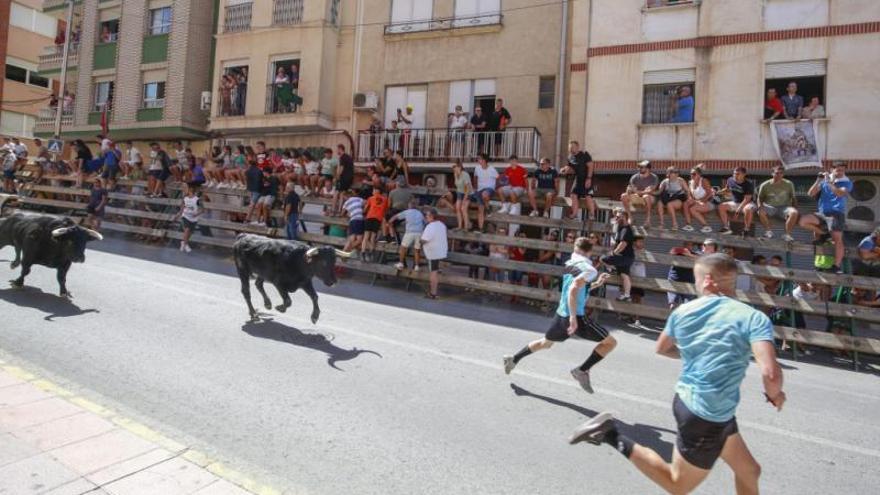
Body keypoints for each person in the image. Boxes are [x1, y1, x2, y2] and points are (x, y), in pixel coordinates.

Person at [569, 253, 785, 495]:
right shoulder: (753, 317)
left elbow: (662, 348)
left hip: (703, 405)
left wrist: (699, 353)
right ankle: (609, 434)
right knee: (677, 484)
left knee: (749, 471)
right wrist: (776, 395)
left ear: (708, 280)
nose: (696, 284)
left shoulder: (684, 311)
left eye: (696, 278)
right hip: (705, 412)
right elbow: (771, 374)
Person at [503, 236, 615, 392]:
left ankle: (513, 359)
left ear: (575, 248)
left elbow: (580, 287)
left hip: (561, 314)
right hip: (576, 316)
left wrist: (597, 283)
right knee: (610, 343)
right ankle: (581, 370)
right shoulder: (590, 270)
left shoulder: (570, 263)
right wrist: (574, 318)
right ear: (590, 251)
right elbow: (573, 289)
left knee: (546, 343)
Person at [799, 162, 852, 273]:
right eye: (837, 170)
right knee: (803, 221)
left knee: (837, 240)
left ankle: (836, 266)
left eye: (842, 170)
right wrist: (819, 180)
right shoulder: (825, 181)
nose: (840, 172)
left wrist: (829, 183)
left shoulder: (846, 182)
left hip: (836, 214)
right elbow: (810, 193)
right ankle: (823, 233)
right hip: (822, 213)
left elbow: (839, 193)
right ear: (832, 170)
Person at [601, 209, 636, 302]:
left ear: (624, 217)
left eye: (618, 216)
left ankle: (612, 269)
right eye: (615, 216)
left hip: (624, 257)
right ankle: (627, 295)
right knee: (624, 275)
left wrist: (614, 253)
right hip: (627, 257)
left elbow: (623, 244)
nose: (616, 218)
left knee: (603, 259)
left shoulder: (626, 229)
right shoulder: (620, 227)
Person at [756, 165, 799, 241]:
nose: (779, 175)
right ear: (772, 174)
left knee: (794, 212)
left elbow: (793, 198)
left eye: (781, 173)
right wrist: (760, 206)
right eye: (776, 173)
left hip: (784, 207)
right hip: (769, 206)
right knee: (760, 211)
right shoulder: (765, 185)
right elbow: (760, 197)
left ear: (783, 174)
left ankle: (787, 235)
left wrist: (795, 209)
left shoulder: (789, 184)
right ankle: (768, 232)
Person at [560, 141, 595, 221]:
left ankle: (592, 215)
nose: (571, 149)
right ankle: (574, 214)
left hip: (587, 178)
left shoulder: (585, 154)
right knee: (573, 195)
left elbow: (591, 166)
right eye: (570, 148)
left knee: (588, 196)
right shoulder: (570, 157)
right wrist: (564, 169)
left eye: (572, 147)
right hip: (578, 179)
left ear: (578, 147)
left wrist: (589, 178)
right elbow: (569, 168)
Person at [717, 167, 756, 236]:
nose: (735, 175)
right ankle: (726, 227)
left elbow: (747, 199)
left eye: (738, 174)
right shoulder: (730, 180)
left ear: (744, 174)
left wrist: (739, 209)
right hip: (735, 202)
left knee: (748, 209)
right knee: (721, 206)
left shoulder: (748, 184)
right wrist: (717, 192)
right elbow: (727, 189)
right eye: (734, 174)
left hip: (747, 203)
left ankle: (746, 229)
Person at [620, 160, 658, 227]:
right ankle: (630, 217)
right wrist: (629, 190)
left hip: (650, 198)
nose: (639, 168)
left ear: (648, 168)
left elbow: (650, 190)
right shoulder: (634, 177)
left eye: (642, 167)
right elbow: (630, 188)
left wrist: (637, 191)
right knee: (623, 196)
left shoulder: (654, 177)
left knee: (646, 196)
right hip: (638, 197)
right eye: (639, 167)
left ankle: (648, 220)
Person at [420, 208, 448, 299]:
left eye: (427, 216)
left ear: (431, 216)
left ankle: (433, 293)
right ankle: (433, 292)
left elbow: (424, 240)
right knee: (434, 271)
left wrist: (418, 241)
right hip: (440, 251)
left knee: (433, 273)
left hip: (433, 253)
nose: (426, 217)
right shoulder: (442, 225)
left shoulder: (431, 226)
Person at [392, 199, 426, 271]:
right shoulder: (420, 213)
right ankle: (417, 266)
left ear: (409, 205)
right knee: (417, 250)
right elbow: (425, 222)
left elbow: (395, 217)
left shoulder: (407, 212)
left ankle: (401, 263)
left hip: (410, 232)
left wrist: (389, 222)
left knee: (403, 248)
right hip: (419, 232)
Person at [656, 167, 692, 231]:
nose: (676, 174)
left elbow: (687, 190)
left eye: (677, 172)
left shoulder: (681, 180)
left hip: (679, 198)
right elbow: (659, 192)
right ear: (669, 173)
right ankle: (661, 224)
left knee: (670, 204)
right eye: (674, 172)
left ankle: (675, 224)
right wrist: (649, 192)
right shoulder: (665, 182)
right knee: (659, 203)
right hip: (669, 198)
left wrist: (689, 197)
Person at [470, 153, 498, 231]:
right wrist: (475, 187)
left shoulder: (492, 169)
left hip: (489, 189)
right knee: (480, 210)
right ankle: (481, 228)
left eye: (479, 158)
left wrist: (496, 188)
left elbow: (498, 178)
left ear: (484, 160)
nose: (478, 160)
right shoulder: (477, 168)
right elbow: (475, 177)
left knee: (484, 194)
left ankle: (488, 209)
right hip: (479, 189)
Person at [686, 165, 715, 233]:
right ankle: (688, 225)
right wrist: (690, 199)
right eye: (690, 174)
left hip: (708, 202)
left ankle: (706, 226)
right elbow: (690, 195)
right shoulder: (690, 182)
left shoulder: (703, 181)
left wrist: (701, 201)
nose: (692, 175)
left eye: (694, 174)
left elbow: (710, 193)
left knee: (692, 209)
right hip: (698, 202)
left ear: (699, 174)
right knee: (686, 203)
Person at [362, 187, 389, 262]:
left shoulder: (371, 198)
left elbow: (365, 208)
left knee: (366, 237)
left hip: (370, 217)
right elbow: (386, 210)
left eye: (373, 190)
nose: (372, 191)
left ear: (376, 191)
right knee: (372, 238)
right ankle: (371, 253)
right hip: (378, 219)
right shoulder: (385, 199)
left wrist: (363, 211)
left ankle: (363, 253)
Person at [174, 182, 201, 253]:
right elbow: (182, 208)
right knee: (187, 229)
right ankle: (185, 244)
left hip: (193, 218)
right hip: (185, 216)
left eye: (186, 188)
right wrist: (178, 215)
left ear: (191, 190)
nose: (185, 190)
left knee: (190, 233)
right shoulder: (185, 198)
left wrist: (197, 214)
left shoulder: (197, 199)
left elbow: (203, 209)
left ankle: (184, 242)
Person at [342, 189, 366, 254]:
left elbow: (342, 213)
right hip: (359, 219)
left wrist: (348, 214)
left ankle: (344, 252)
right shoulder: (358, 199)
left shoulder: (346, 203)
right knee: (359, 240)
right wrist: (363, 210)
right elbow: (366, 202)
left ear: (346, 196)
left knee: (352, 239)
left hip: (352, 220)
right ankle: (346, 252)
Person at [334, 144, 355, 214]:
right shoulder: (348, 157)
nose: (336, 151)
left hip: (344, 178)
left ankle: (334, 209)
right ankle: (339, 210)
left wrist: (336, 178)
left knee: (336, 193)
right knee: (342, 193)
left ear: (340, 149)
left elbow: (341, 169)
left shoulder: (342, 157)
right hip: (349, 179)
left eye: (337, 149)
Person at [452, 160, 473, 230]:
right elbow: (457, 186)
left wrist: (464, 199)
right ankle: (459, 226)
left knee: (463, 208)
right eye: (453, 167)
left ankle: (466, 226)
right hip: (460, 192)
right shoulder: (455, 174)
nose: (454, 168)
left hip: (468, 192)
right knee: (457, 208)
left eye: (455, 167)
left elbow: (468, 188)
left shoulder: (465, 174)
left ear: (460, 167)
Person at [244, 159, 264, 223]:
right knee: (254, 204)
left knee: (253, 204)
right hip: (258, 189)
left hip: (251, 189)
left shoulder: (247, 171)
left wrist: (248, 188)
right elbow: (261, 180)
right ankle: (249, 218)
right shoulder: (259, 171)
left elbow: (247, 181)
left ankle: (248, 218)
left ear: (250, 164)